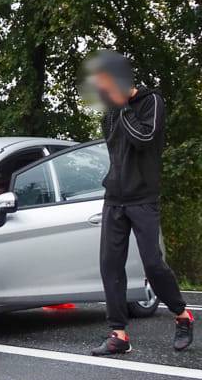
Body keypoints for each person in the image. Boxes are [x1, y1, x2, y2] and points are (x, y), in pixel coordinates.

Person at [82, 51, 193, 356]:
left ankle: (182, 315)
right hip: (115, 199)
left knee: (153, 264)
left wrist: (123, 108)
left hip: (143, 197)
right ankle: (118, 334)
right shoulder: (111, 113)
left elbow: (144, 139)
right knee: (110, 266)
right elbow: (114, 150)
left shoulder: (152, 101)